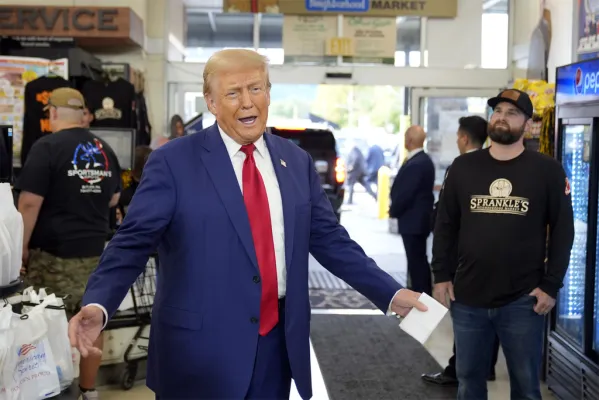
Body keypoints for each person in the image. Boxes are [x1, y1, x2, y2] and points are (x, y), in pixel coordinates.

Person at [68, 49, 427, 400]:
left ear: (269, 92)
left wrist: (390, 292)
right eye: (233, 92)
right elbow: (131, 242)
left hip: (275, 348)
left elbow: (331, 240)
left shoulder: (296, 161)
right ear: (210, 102)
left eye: (256, 88)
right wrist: (99, 304)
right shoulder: (173, 162)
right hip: (197, 353)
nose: (247, 102)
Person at [432, 89, 574, 400]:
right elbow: (445, 226)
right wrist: (441, 275)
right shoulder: (463, 168)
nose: (501, 117)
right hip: (468, 298)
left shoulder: (547, 170)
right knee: (468, 384)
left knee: (525, 388)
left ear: (527, 123)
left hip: (523, 300)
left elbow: (564, 230)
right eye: (497, 111)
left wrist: (551, 286)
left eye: (512, 113)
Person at [15, 88, 122, 400]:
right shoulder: (104, 149)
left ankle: (48, 391)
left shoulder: (46, 147)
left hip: (53, 257)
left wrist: (21, 248)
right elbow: (114, 197)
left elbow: (30, 203)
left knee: (44, 329)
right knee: (93, 324)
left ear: (53, 114)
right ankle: (89, 391)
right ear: (84, 114)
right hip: (95, 254)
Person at [422, 115, 500, 386]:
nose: (456, 140)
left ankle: (459, 368)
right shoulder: (496, 166)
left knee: (467, 318)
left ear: (465, 138)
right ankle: (484, 365)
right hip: (488, 259)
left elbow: (448, 216)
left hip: (463, 259)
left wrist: (442, 267)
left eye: (458, 136)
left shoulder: (462, 166)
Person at [389, 126, 435, 295]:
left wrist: (394, 210)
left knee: (417, 263)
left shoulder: (418, 163)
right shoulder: (419, 160)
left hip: (414, 221)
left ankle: (421, 297)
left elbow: (406, 193)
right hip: (415, 221)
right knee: (416, 261)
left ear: (409, 140)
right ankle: (419, 295)